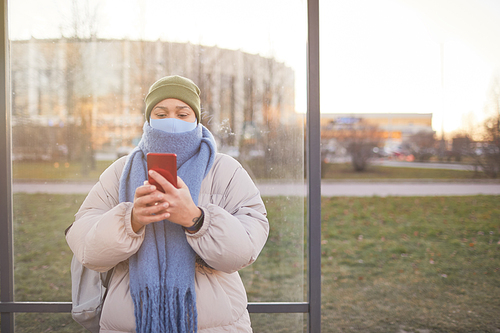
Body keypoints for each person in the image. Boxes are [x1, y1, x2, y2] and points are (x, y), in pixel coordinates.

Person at [66, 75, 269, 333]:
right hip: (131, 320)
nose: (171, 121)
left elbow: (244, 251)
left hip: (214, 323)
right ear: (148, 119)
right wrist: (130, 220)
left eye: (182, 113)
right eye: (160, 113)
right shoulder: (120, 172)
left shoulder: (226, 171)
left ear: (196, 118)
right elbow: (86, 248)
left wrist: (196, 219)